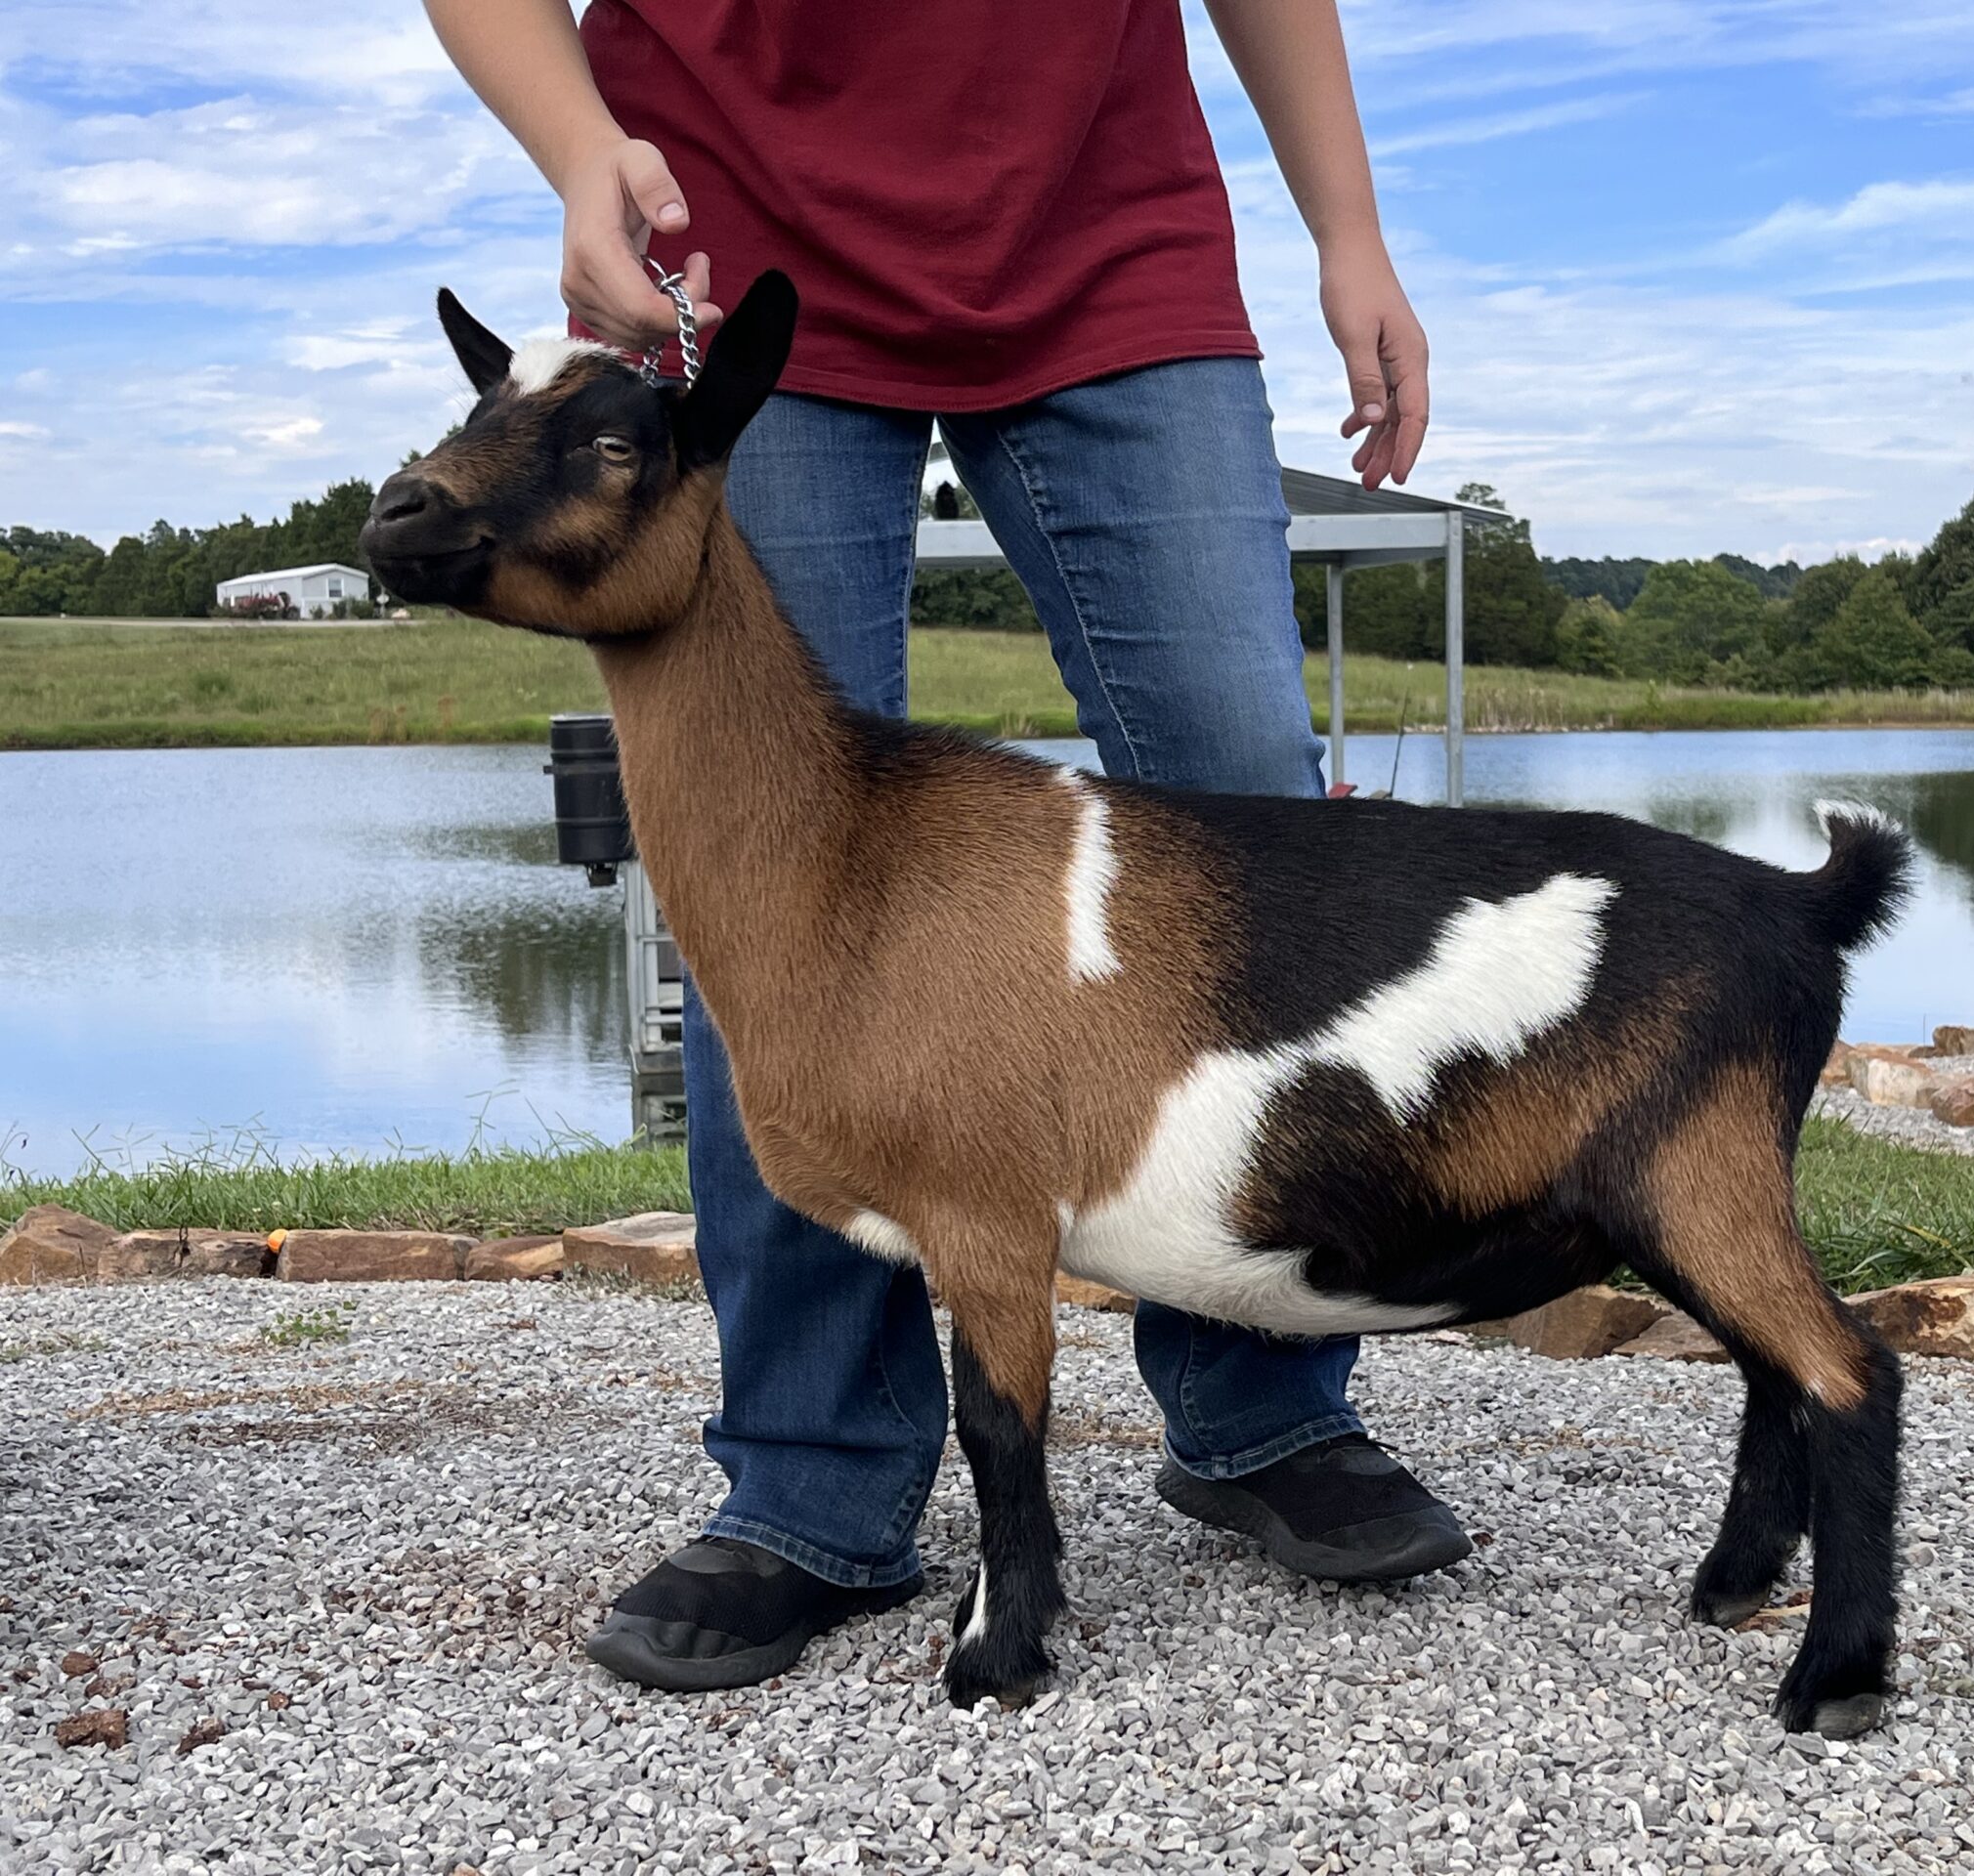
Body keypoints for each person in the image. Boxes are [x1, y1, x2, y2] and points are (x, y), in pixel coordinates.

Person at [424, 0, 1471, 1690]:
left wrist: (1349, 231)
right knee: (770, 898)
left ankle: (1262, 1411)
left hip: (1110, 241)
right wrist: (574, 150)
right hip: (729, 243)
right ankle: (814, 1485)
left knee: (1242, 790)